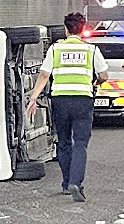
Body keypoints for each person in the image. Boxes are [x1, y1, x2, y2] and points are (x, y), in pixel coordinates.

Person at [25, 12, 109, 202]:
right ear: (83, 29)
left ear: (65, 29)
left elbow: (45, 75)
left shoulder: (55, 49)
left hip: (60, 101)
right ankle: (76, 182)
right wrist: (93, 83)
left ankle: (65, 183)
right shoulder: (91, 51)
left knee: (63, 142)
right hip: (82, 101)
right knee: (80, 143)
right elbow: (104, 76)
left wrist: (33, 98)